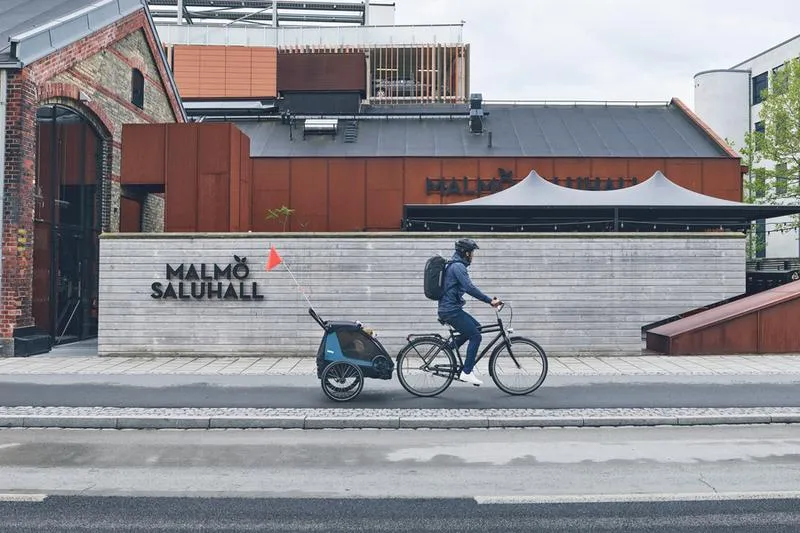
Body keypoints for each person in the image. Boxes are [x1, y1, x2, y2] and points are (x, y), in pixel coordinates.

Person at [437, 238, 502, 386]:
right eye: (472, 253)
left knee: (476, 328)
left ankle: (450, 348)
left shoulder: (455, 265)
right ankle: (466, 372)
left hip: (450, 309)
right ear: (465, 253)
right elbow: (469, 288)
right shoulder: (458, 267)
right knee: (476, 336)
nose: (473, 256)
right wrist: (489, 301)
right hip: (450, 310)